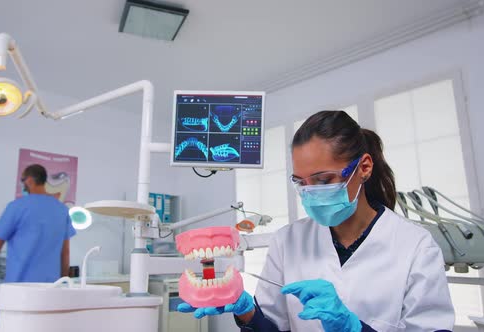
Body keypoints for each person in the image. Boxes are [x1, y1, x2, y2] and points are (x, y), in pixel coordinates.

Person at [178, 111, 455, 331]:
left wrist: (354, 329)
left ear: (364, 168)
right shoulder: (288, 241)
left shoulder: (415, 246)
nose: (310, 192)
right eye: (301, 182)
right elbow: (275, 328)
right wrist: (248, 312)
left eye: (324, 180)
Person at [0, 164, 76, 332]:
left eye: (23, 180)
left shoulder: (17, 207)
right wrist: (63, 283)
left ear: (30, 180)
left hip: (19, 293)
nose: (22, 184)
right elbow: (65, 253)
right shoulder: (62, 210)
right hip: (50, 293)